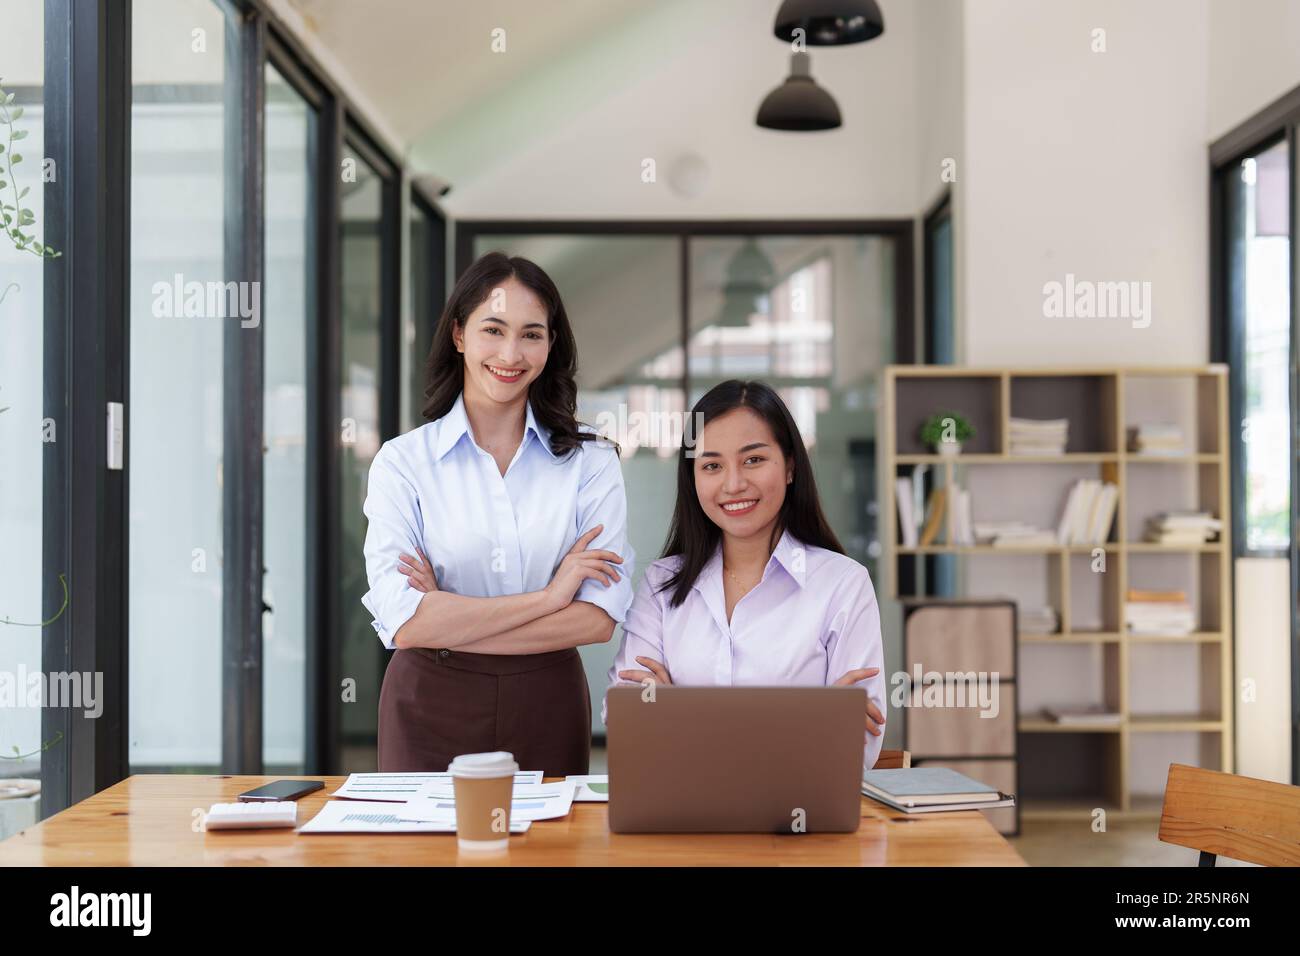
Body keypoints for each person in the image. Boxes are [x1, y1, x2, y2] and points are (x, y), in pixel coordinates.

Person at [363, 251, 633, 776]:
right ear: (460, 334)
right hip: (428, 703)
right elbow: (406, 621)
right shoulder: (403, 463)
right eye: (494, 329)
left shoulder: (591, 463)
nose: (511, 353)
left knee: (550, 854)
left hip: (546, 703)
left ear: (551, 345)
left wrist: (446, 613)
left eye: (532, 334)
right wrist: (551, 598)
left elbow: (598, 618)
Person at [605, 379, 886, 769]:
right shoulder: (662, 584)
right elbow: (627, 724)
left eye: (753, 459)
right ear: (693, 477)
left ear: (789, 466)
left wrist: (678, 718)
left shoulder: (843, 584)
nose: (734, 484)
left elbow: (858, 746)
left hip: (802, 817)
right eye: (712, 465)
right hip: (683, 818)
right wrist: (812, 721)